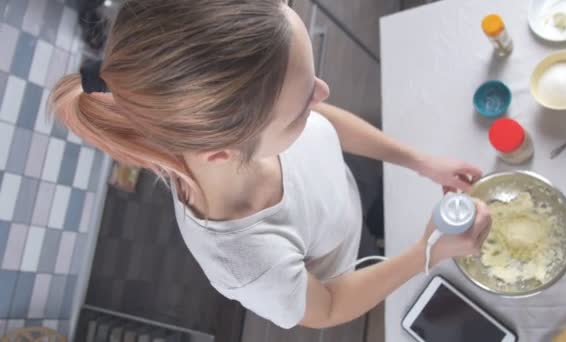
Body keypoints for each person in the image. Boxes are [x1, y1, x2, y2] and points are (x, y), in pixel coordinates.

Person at [51, 0, 491, 329]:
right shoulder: (246, 260)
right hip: (344, 254)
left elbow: (322, 120)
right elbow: (330, 307)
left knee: (365, 195)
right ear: (224, 151)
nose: (324, 91)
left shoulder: (247, 125)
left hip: (343, 185)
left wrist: (418, 161)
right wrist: (426, 253)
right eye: (302, 105)